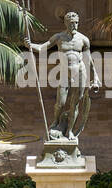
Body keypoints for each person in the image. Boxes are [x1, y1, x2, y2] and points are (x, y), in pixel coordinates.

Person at [26, 11, 100, 140]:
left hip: (80, 72)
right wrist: (30, 45)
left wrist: (96, 77)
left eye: (76, 23)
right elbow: (44, 47)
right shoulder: (59, 37)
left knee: (75, 104)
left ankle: (70, 130)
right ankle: (55, 122)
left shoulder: (83, 39)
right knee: (60, 102)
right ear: (65, 23)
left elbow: (89, 59)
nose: (74, 25)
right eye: (71, 23)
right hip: (65, 73)